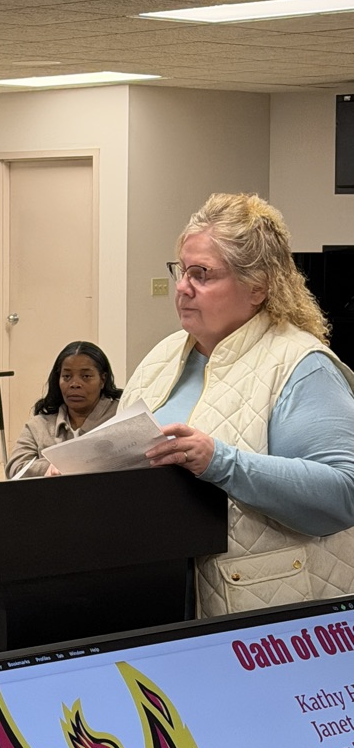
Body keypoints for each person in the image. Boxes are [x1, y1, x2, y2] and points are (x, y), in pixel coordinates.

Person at [120, 192, 354, 617]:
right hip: (156, 603)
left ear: (257, 286)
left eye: (201, 274)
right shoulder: (161, 358)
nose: (182, 287)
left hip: (266, 621)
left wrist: (221, 462)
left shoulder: (300, 364)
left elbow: (343, 494)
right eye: (180, 271)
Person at [5, 341, 121, 479]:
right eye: (67, 376)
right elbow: (15, 468)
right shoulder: (39, 425)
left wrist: (70, 463)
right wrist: (50, 467)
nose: (75, 384)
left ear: (102, 379)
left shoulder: (120, 415)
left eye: (86, 376)